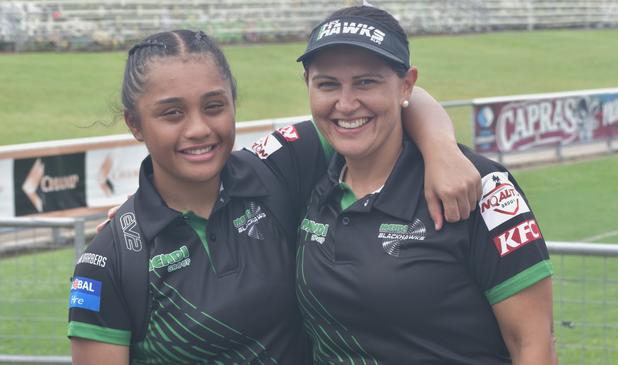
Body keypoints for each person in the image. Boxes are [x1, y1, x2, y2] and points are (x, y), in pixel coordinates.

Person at [68, 29, 481, 364]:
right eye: (172, 113)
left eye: (214, 106)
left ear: (233, 104)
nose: (198, 129)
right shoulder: (111, 258)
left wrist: (441, 147)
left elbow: (393, 96)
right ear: (135, 123)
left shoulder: (277, 167)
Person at [294, 5, 557, 365]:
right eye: (327, 84)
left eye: (366, 81)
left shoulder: (483, 186)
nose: (346, 103)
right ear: (307, 85)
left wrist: (441, 146)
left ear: (407, 85)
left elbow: (533, 345)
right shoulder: (306, 172)